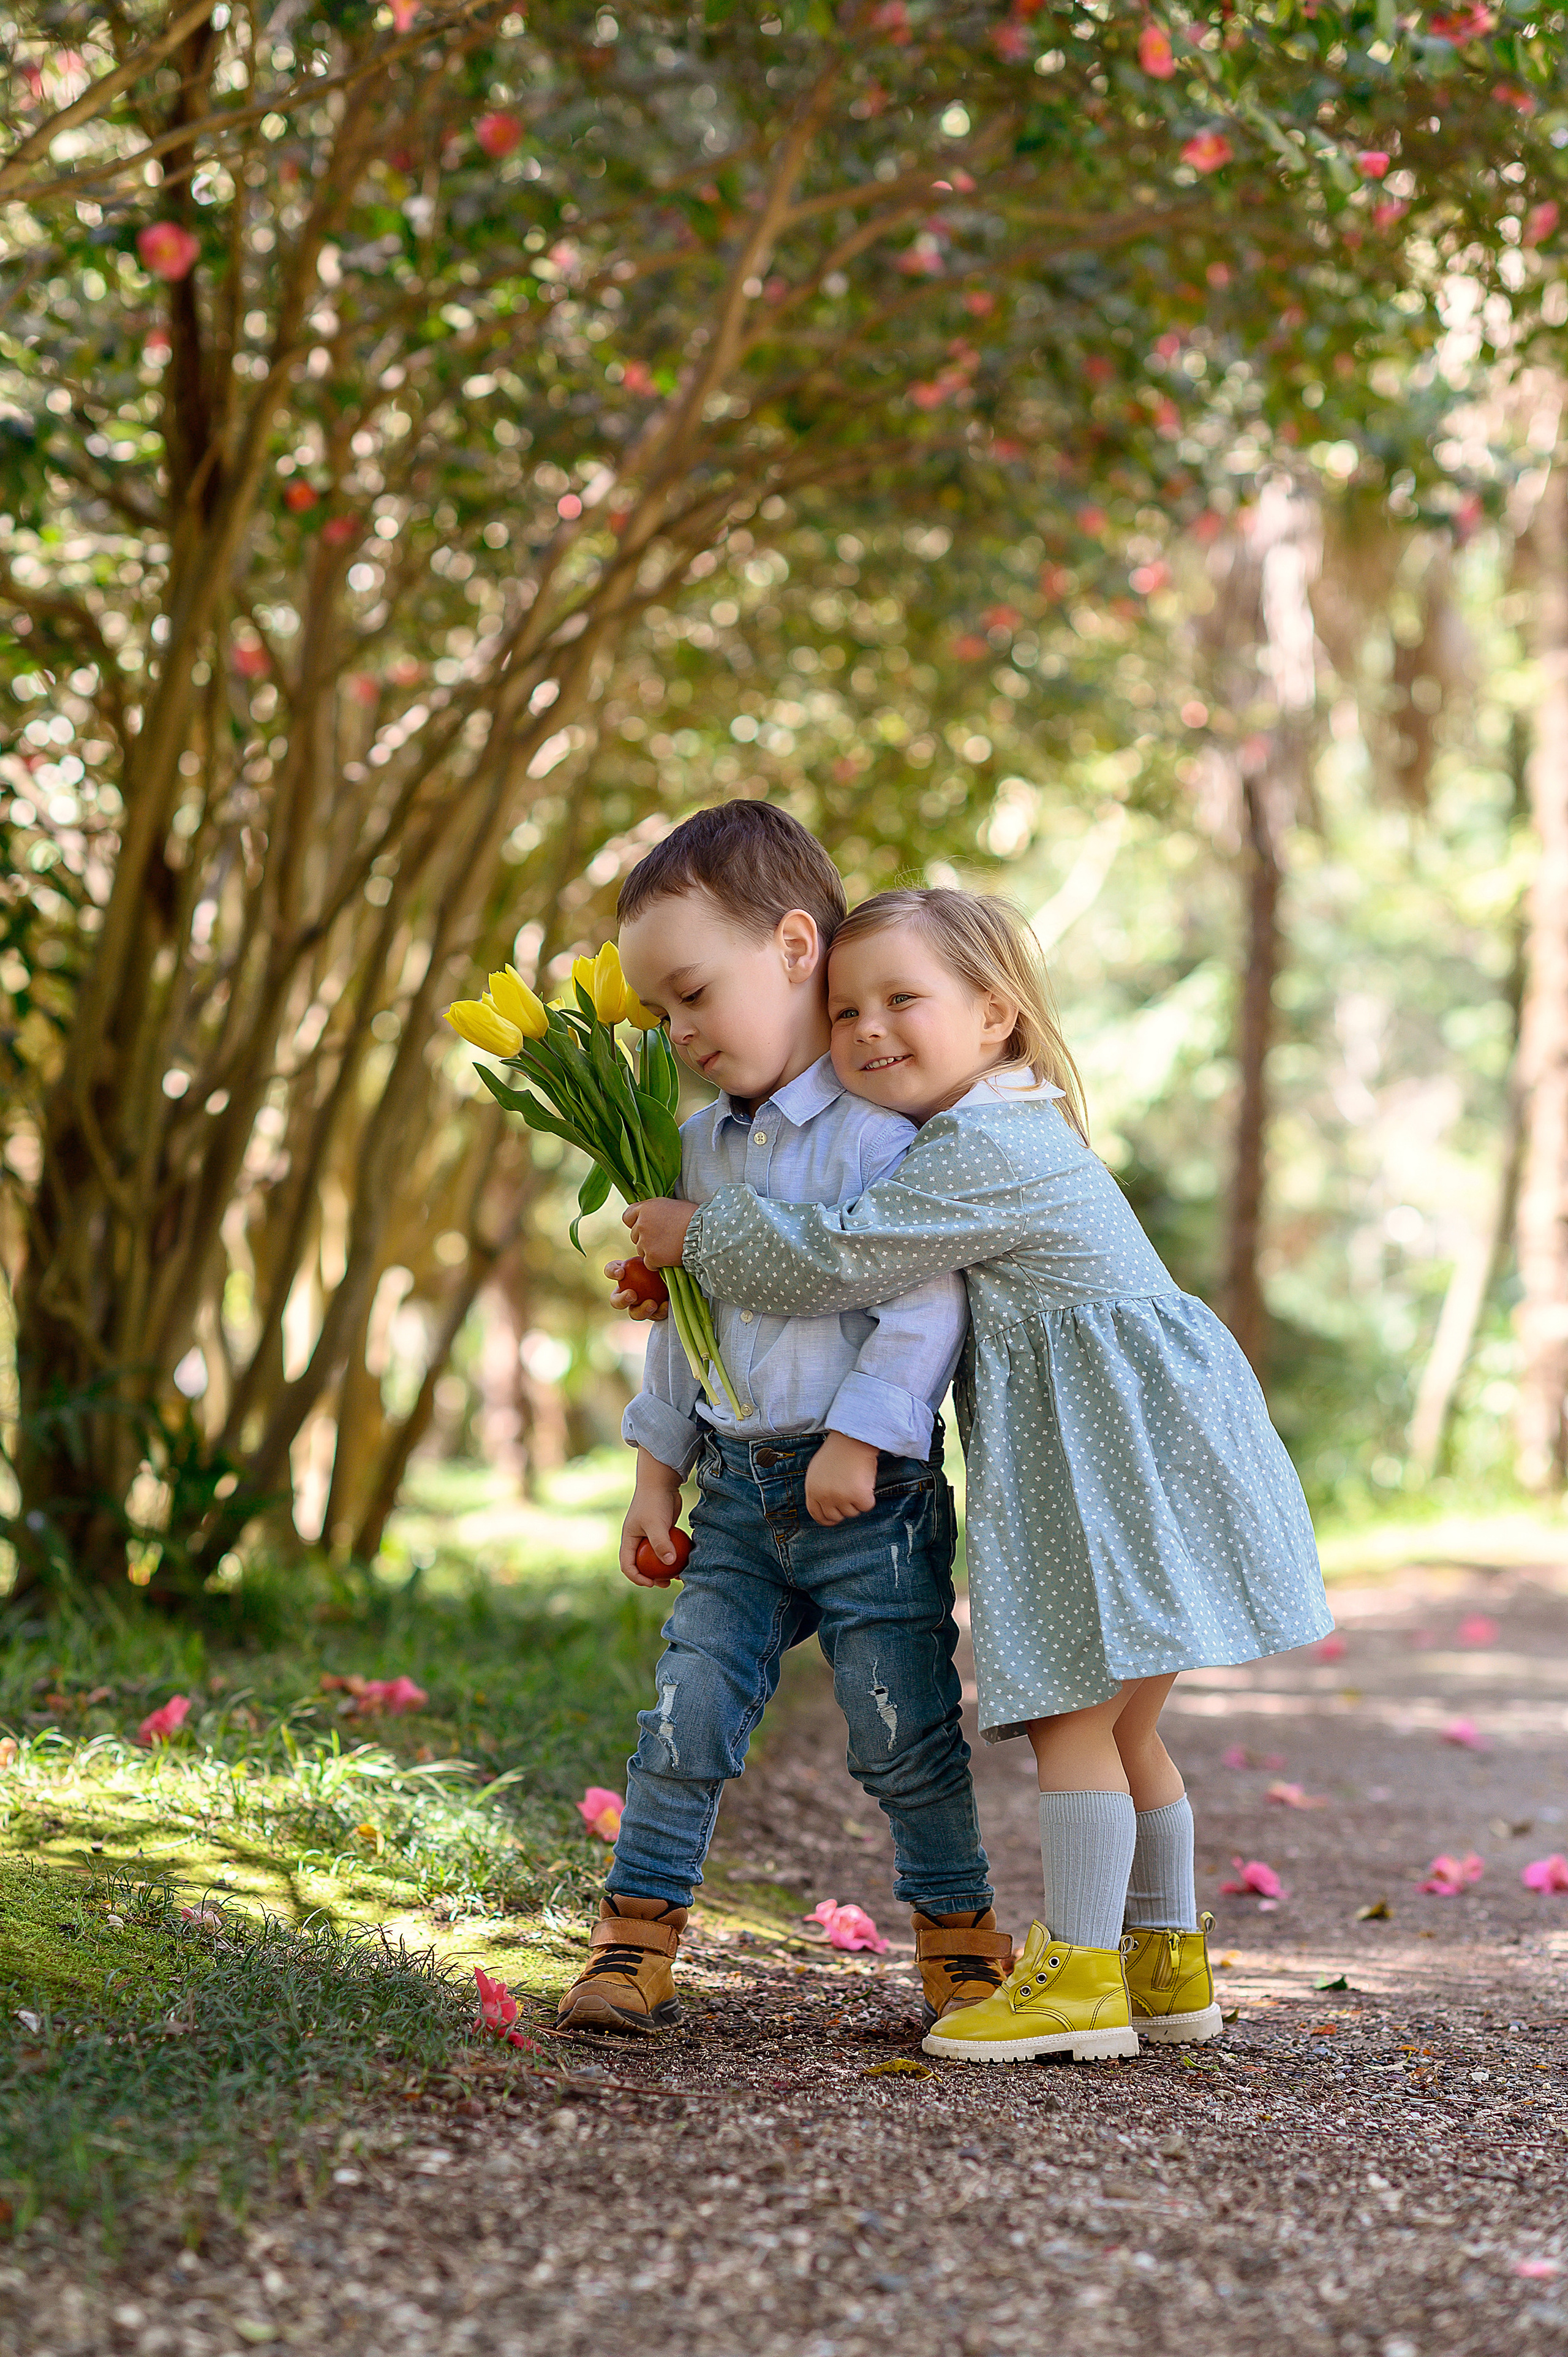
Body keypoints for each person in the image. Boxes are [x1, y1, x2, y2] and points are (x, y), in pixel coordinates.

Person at [622, 886, 1332, 2065]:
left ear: (997, 1015)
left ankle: (1082, 1985)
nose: (868, 1030)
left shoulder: (981, 1146)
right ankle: (1164, 1961)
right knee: (1130, 1733)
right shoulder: (1006, 1126)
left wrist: (699, 1237)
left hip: (1117, 1456)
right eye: (845, 1010)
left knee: (1071, 1716)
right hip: (1152, 1447)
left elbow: (847, 1251)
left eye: (905, 1000)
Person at [557, 814, 1014, 2037]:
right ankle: (632, 1939)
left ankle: (958, 1946)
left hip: (869, 1502)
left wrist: (863, 1441)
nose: (680, 1032)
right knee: (682, 1720)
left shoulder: (881, 1141)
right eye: (658, 1014)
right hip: (740, 1503)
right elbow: (677, 1328)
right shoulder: (694, 1151)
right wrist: (655, 1475)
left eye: (693, 992)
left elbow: (923, 1310)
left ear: (797, 946)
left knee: (898, 1730)